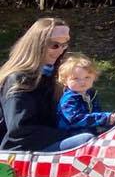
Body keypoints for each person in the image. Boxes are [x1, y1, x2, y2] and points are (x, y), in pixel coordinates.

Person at [0, 17, 97, 152]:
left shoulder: (53, 76)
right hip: (21, 151)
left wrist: (108, 119)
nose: (61, 50)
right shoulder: (18, 79)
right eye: (55, 45)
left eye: (64, 45)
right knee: (86, 141)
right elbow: (20, 130)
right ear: (37, 45)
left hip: (48, 142)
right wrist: (69, 134)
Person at [55, 53, 115, 135]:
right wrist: (105, 118)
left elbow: (95, 113)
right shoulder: (69, 99)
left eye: (87, 77)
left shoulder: (90, 94)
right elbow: (75, 119)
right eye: (75, 78)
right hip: (70, 135)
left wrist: (109, 120)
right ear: (65, 81)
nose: (82, 82)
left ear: (94, 77)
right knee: (88, 137)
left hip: (89, 131)